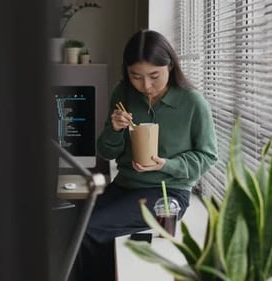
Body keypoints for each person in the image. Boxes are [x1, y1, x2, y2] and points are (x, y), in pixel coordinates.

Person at [79, 29, 218, 281]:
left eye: (154, 75)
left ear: (171, 66)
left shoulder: (193, 103)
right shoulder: (123, 94)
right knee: (75, 227)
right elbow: (106, 151)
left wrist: (167, 164)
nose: (146, 85)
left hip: (167, 194)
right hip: (124, 187)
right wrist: (114, 128)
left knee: (89, 228)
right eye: (136, 76)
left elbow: (207, 157)